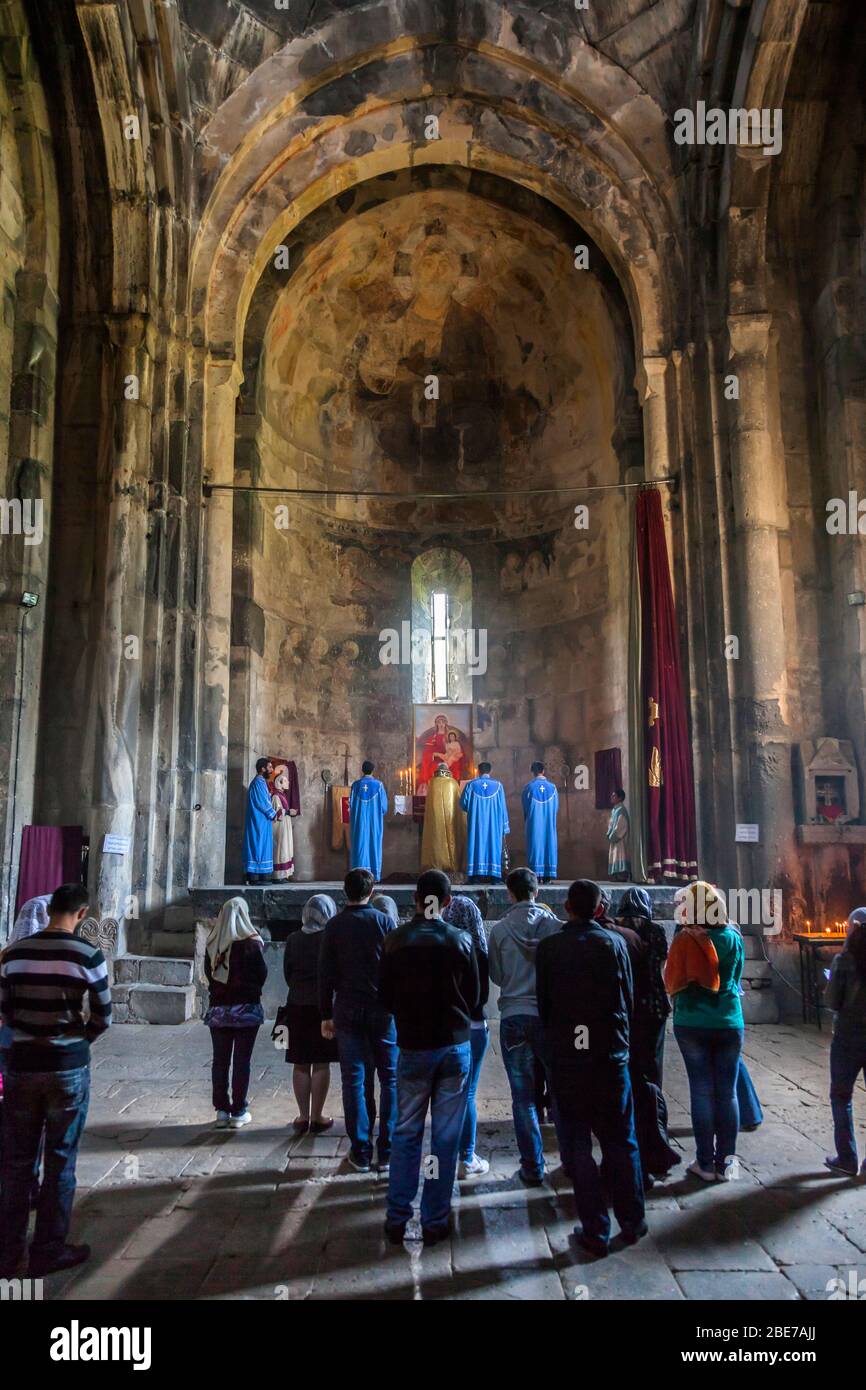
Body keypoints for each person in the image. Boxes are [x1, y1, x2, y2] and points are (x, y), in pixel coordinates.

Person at [0, 883, 111, 1278]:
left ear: (49, 911)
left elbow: (5, 1013)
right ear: (82, 914)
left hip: (21, 1067)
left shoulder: (14, 954)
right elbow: (103, 1015)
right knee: (61, 1161)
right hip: (66, 1067)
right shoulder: (87, 953)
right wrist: (76, 1041)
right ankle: (47, 1249)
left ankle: (8, 1251)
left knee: (14, 1163)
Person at [536, 878, 645, 1257]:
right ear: (600, 909)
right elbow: (627, 999)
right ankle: (633, 1220)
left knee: (579, 1145)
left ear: (567, 907)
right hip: (609, 1054)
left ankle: (595, 1229)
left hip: (569, 1057)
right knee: (621, 1138)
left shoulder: (550, 948)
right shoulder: (616, 944)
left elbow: (545, 1004)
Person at [378, 870, 480, 1244]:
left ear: (415, 900)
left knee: (405, 1133)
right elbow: (476, 997)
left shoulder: (395, 941)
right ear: (448, 902)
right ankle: (435, 1218)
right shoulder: (461, 941)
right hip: (453, 1047)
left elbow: (385, 998)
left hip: (413, 1046)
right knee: (444, 1138)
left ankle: (398, 1215)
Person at [664, 881, 744, 1182]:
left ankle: (705, 1164)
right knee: (727, 1093)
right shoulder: (734, 937)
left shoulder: (685, 940)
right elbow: (735, 979)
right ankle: (728, 1166)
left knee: (700, 1091)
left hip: (692, 1022)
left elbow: (672, 979)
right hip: (729, 1020)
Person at [319, 868, 397, 1172]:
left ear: (344, 891)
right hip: (382, 1010)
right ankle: (387, 1150)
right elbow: (395, 969)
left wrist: (325, 1014)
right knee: (389, 1078)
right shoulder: (385, 922)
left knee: (354, 1079)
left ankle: (361, 1150)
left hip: (348, 1009)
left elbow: (325, 974)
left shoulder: (334, 926)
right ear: (372, 890)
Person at [488, 866, 561, 1185]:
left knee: (522, 1097)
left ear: (509, 893)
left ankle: (532, 1165)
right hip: (548, 1015)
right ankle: (572, 1158)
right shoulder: (555, 928)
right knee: (560, 1089)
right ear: (537, 893)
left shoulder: (500, 931)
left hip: (514, 1015)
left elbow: (497, 976)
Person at [609, 888, 679, 1183]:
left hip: (625, 1009)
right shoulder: (655, 931)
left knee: (626, 1069)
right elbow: (659, 968)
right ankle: (655, 1125)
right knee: (651, 1071)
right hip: (653, 1008)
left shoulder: (615, 931)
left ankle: (630, 1125)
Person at [204, 896, 268, 1130]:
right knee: (242, 1060)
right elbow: (261, 974)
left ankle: (221, 1109)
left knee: (220, 1060)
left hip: (219, 1010)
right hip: (246, 1011)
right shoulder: (252, 944)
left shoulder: (213, 943)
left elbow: (208, 975)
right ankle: (239, 1110)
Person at [442, 893, 491, 1177]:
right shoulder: (478, 952)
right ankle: (466, 1157)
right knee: (467, 1092)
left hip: (444, 1029)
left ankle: (445, 1157)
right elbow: (481, 996)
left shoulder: (439, 946)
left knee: (446, 1096)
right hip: (471, 1027)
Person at [282, 894, 338, 1134]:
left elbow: (287, 972)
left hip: (296, 1005)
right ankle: (317, 1116)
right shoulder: (330, 939)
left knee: (300, 1063)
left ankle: (303, 1115)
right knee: (322, 1062)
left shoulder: (293, 939)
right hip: (323, 1007)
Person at [824, 907, 866, 1176]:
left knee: (841, 1096)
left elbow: (831, 1001)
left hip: (849, 1036)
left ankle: (847, 1157)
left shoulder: (844, 960)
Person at [460, 761, 509, 882]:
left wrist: (474, 810)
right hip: (494, 824)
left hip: (476, 824)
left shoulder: (471, 785)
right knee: (493, 845)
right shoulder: (498, 786)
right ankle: (494, 877)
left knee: (476, 845)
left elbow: (463, 804)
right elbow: (503, 807)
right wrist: (504, 827)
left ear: (478, 771)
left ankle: (474, 877)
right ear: (490, 771)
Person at [420, 762, 465, 875]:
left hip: (435, 819)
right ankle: (451, 864)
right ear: (448, 770)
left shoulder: (432, 783)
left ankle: (433, 863)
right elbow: (459, 803)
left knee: (435, 838)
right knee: (450, 838)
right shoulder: (453, 783)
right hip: (450, 818)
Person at [349, 761, 388, 881]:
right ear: (373, 770)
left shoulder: (355, 785)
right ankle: (374, 875)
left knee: (359, 845)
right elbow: (384, 807)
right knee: (373, 844)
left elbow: (350, 805)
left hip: (359, 822)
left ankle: (358, 874)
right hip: (374, 822)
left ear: (362, 770)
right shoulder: (379, 785)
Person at [243, 757, 279, 884]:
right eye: (269, 767)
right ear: (262, 769)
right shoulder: (258, 782)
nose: (272, 770)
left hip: (262, 821)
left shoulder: (261, 782)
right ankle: (256, 876)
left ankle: (261, 875)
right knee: (258, 845)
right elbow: (263, 802)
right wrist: (273, 814)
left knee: (262, 845)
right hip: (258, 821)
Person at [521, 762, 558, 882]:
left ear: (533, 772)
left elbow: (525, 807)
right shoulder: (552, 788)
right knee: (548, 845)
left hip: (534, 824)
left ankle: (536, 875)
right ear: (543, 771)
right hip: (548, 823)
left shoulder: (529, 787)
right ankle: (548, 875)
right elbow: (556, 808)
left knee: (535, 846)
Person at [606, 787, 630, 881]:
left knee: (620, 855)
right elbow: (611, 822)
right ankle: (615, 875)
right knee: (614, 855)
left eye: (614, 795)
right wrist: (609, 832)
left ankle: (622, 876)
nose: (612, 797)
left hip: (620, 839)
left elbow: (621, 824)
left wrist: (614, 835)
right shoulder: (615, 810)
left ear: (620, 798)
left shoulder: (621, 810)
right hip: (614, 838)